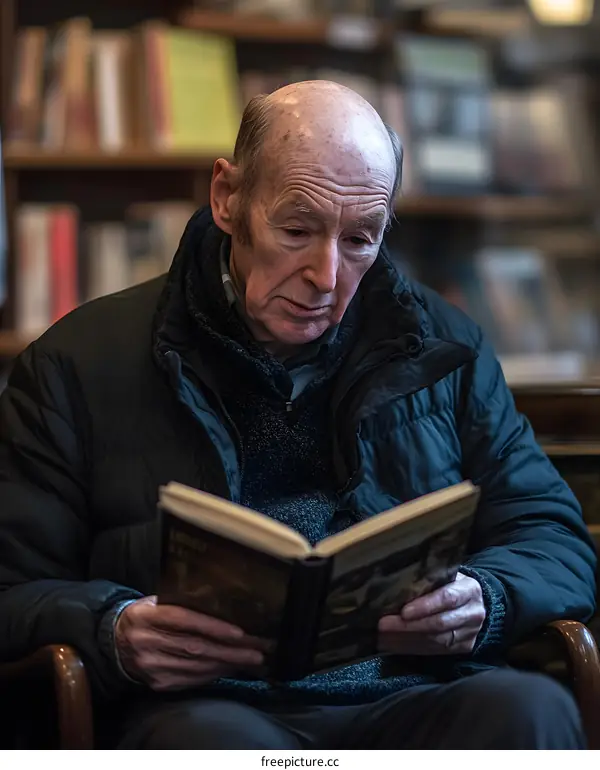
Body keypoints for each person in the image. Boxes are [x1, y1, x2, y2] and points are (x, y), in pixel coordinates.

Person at [0, 81, 596, 750]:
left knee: (529, 712)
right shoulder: (77, 363)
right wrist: (110, 629)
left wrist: (489, 598)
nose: (325, 275)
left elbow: (556, 542)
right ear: (228, 198)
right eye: (296, 230)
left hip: (411, 693)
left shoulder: (443, 347)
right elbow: (13, 590)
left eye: (361, 239)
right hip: (204, 706)